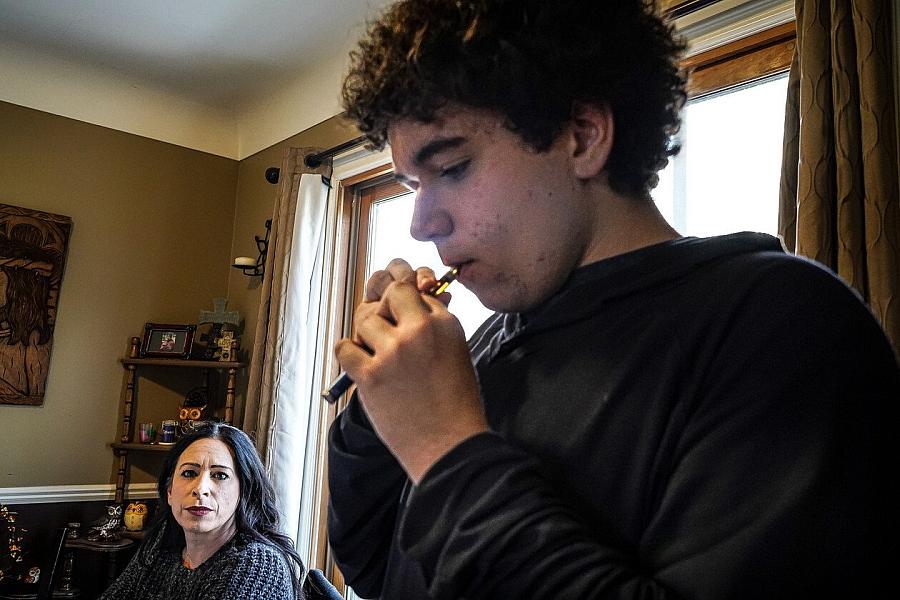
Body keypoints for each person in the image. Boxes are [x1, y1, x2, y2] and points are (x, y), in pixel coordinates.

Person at [326, 1, 900, 599]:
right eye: (414, 187)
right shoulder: (491, 341)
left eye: (452, 167)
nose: (421, 225)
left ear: (582, 136)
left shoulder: (787, 326)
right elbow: (376, 567)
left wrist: (445, 448)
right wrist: (384, 399)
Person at [100, 423, 304, 599]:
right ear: (170, 492)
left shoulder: (259, 565)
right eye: (189, 473)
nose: (200, 489)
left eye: (220, 476)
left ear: (243, 493)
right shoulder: (162, 543)